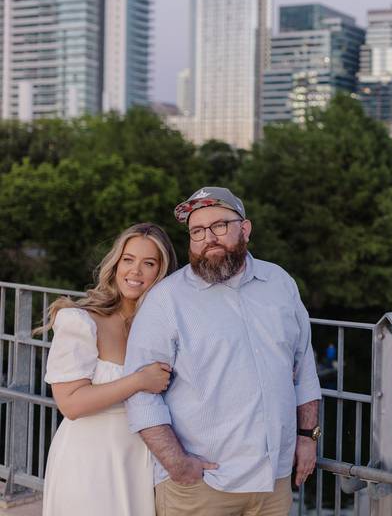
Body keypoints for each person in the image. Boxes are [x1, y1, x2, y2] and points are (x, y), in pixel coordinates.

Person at [123, 186, 323, 516]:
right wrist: (177, 464)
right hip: (202, 487)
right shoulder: (166, 300)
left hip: (273, 482)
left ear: (244, 229)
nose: (208, 238)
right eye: (197, 231)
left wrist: (307, 437)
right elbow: (140, 394)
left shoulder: (280, 283)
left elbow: (305, 370)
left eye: (220, 226)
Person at [39, 223, 178, 516]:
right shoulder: (81, 321)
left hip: (143, 462)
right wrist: (139, 381)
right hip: (90, 461)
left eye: (148, 263)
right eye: (128, 260)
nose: (135, 271)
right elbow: (70, 404)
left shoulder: (165, 330)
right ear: (116, 265)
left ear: (161, 273)